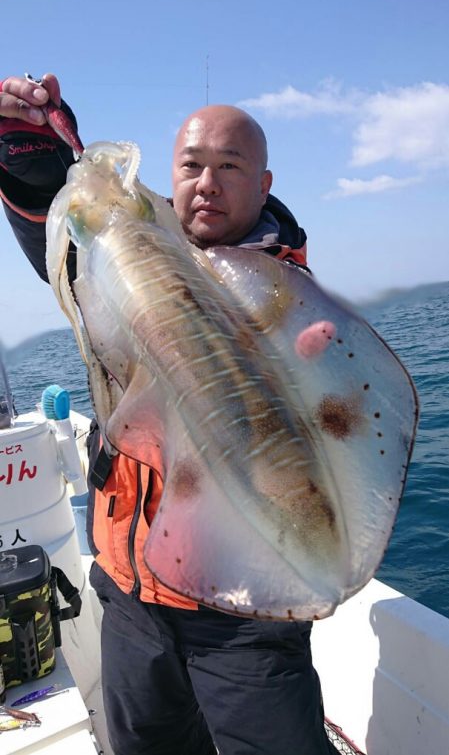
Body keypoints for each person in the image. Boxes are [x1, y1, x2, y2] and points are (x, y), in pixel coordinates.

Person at [0, 74, 338, 755]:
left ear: (264, 183)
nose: (206, 183)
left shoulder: (290, 298)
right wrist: (29, 149)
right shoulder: (127, 258)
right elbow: (69, 237)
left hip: (245, 608)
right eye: (191, 165)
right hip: (128, 592)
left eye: (229, 167)